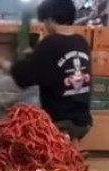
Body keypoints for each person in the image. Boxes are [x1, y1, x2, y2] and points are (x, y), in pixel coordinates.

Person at [9, 0, 92, 140]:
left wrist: (7, 65)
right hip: (83, 121)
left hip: (59, 122)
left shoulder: (50, 43)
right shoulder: (81, 41)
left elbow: (23, 77)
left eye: (45, 21)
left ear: (50, 18)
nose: (45, 26)